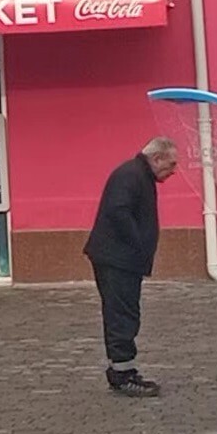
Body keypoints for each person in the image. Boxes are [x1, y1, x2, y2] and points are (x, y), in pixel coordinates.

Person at [83, 137, 180, 398]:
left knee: (126, 312)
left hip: (123, 259)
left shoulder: (139, 175)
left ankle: (125, 368)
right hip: (117, 259)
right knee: (121, 314)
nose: (173, 171)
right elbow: (118, 211)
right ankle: (122, 373)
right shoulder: (131, 175)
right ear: (156, 158)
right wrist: (138, 242)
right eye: (171, 164)